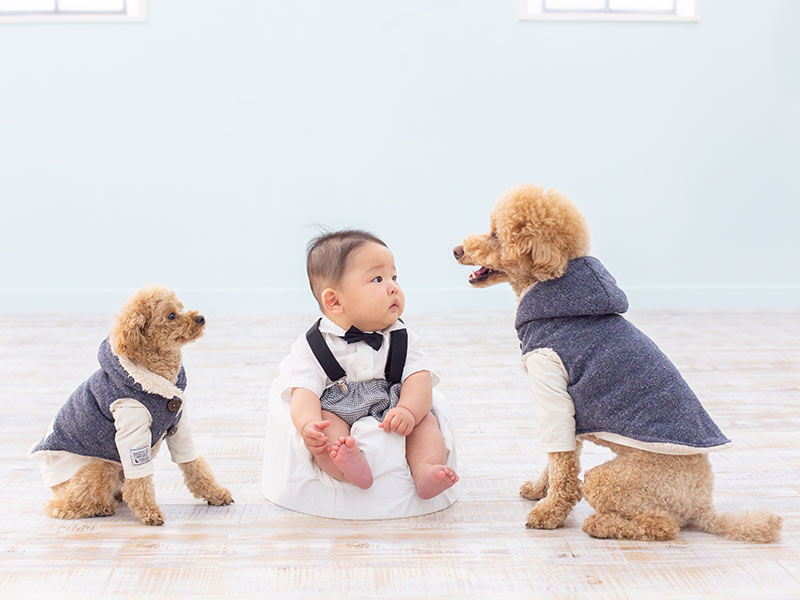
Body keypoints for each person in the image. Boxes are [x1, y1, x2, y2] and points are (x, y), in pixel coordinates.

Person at [277, 229, 458, 499]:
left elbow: (418, 378)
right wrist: (309, 425)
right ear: (334, 301)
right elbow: (302, 392)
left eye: (394, 277)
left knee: (426, 422)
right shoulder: (312, 345)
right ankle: (349, 467)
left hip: (393, 401)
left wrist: (408, 410)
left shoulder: (402, 336)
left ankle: (427, 470)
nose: (393, 287)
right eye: (377, 279)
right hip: (337, 407)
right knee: (327, 436)